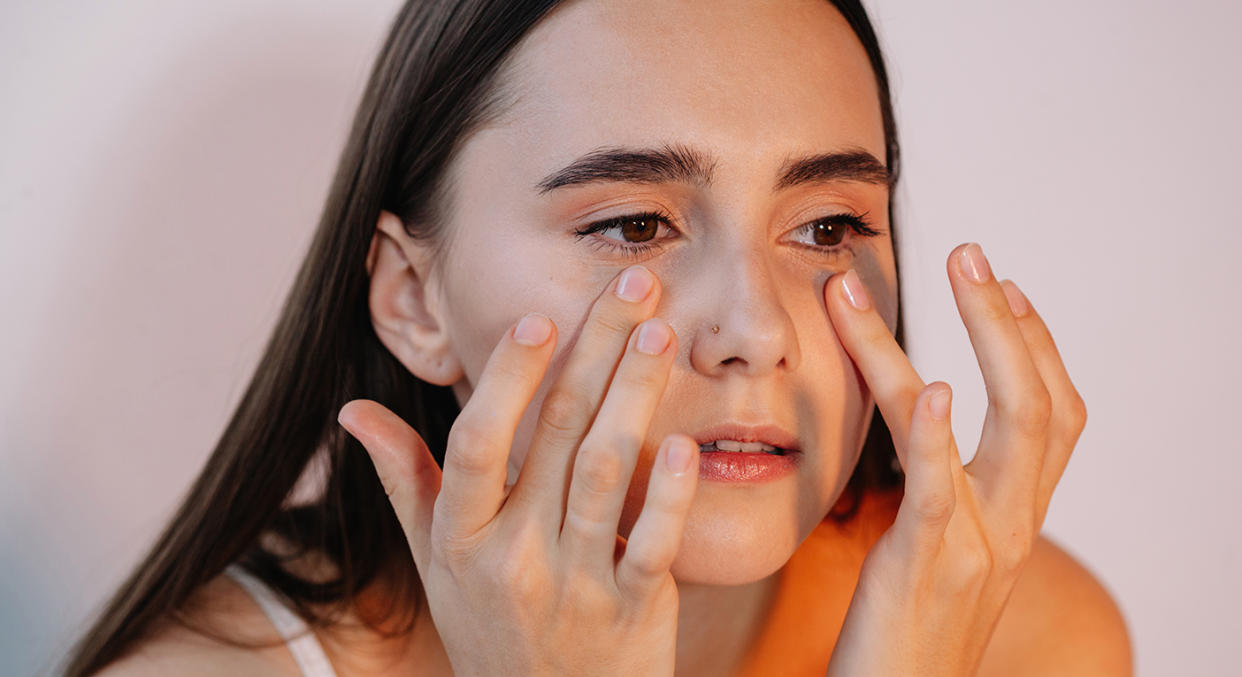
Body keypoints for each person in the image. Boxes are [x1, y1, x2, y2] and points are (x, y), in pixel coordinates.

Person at [66, 0, 1133, 675]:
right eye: (634, 225)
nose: (756, 333)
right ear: (412, 299)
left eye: (826, 226)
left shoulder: (1021, 633)